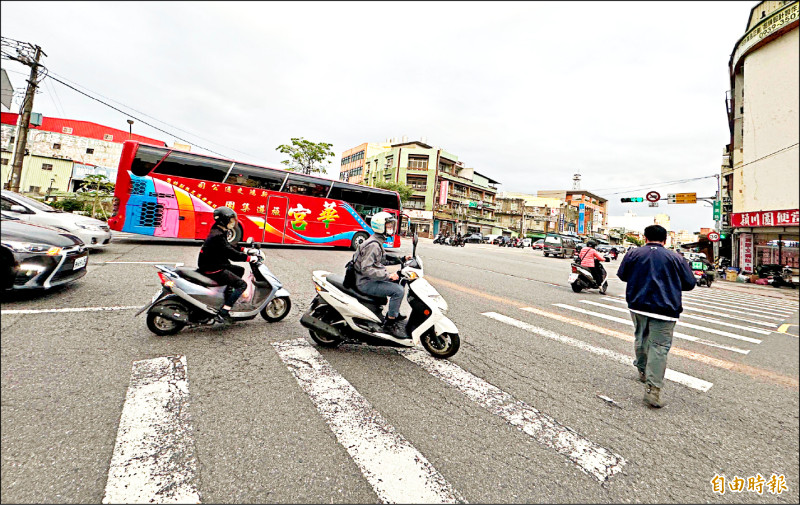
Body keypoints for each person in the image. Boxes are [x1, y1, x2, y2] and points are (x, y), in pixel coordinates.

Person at [617, 225, 696, 408]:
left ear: (645, 238)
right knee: (659, 347)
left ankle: (643, 370)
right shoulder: (676, 257)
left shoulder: (633, 253)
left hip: (637, 305)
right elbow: (689, 283)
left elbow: (623, 276)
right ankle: (653, 390)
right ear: (665, 240)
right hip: (666, 309)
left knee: (641, 337)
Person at [353, 212, 412, 338]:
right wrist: (387, 276)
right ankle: (389, 324)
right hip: (365, 282)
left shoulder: (377, 241)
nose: (391, 227)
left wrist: (401, 259)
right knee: (398, 291)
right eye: (389, 225)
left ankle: (393, 312)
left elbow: (382, 260)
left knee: (400, 281)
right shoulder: (373, 245)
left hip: (367, 279)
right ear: (381, 227)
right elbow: (366, 268)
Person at [197, 207, 259, 324]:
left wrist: (244, 249)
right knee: (242, 285)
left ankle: (228, 295)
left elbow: (228, 246)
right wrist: (249, 258)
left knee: (239, 270)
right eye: (230, 220)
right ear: (223, 220)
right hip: (213, 268)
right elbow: (231, 254)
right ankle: (225, 310)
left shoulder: (218, 230)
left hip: (214, 262)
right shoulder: (218, 236)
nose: (233, 222)